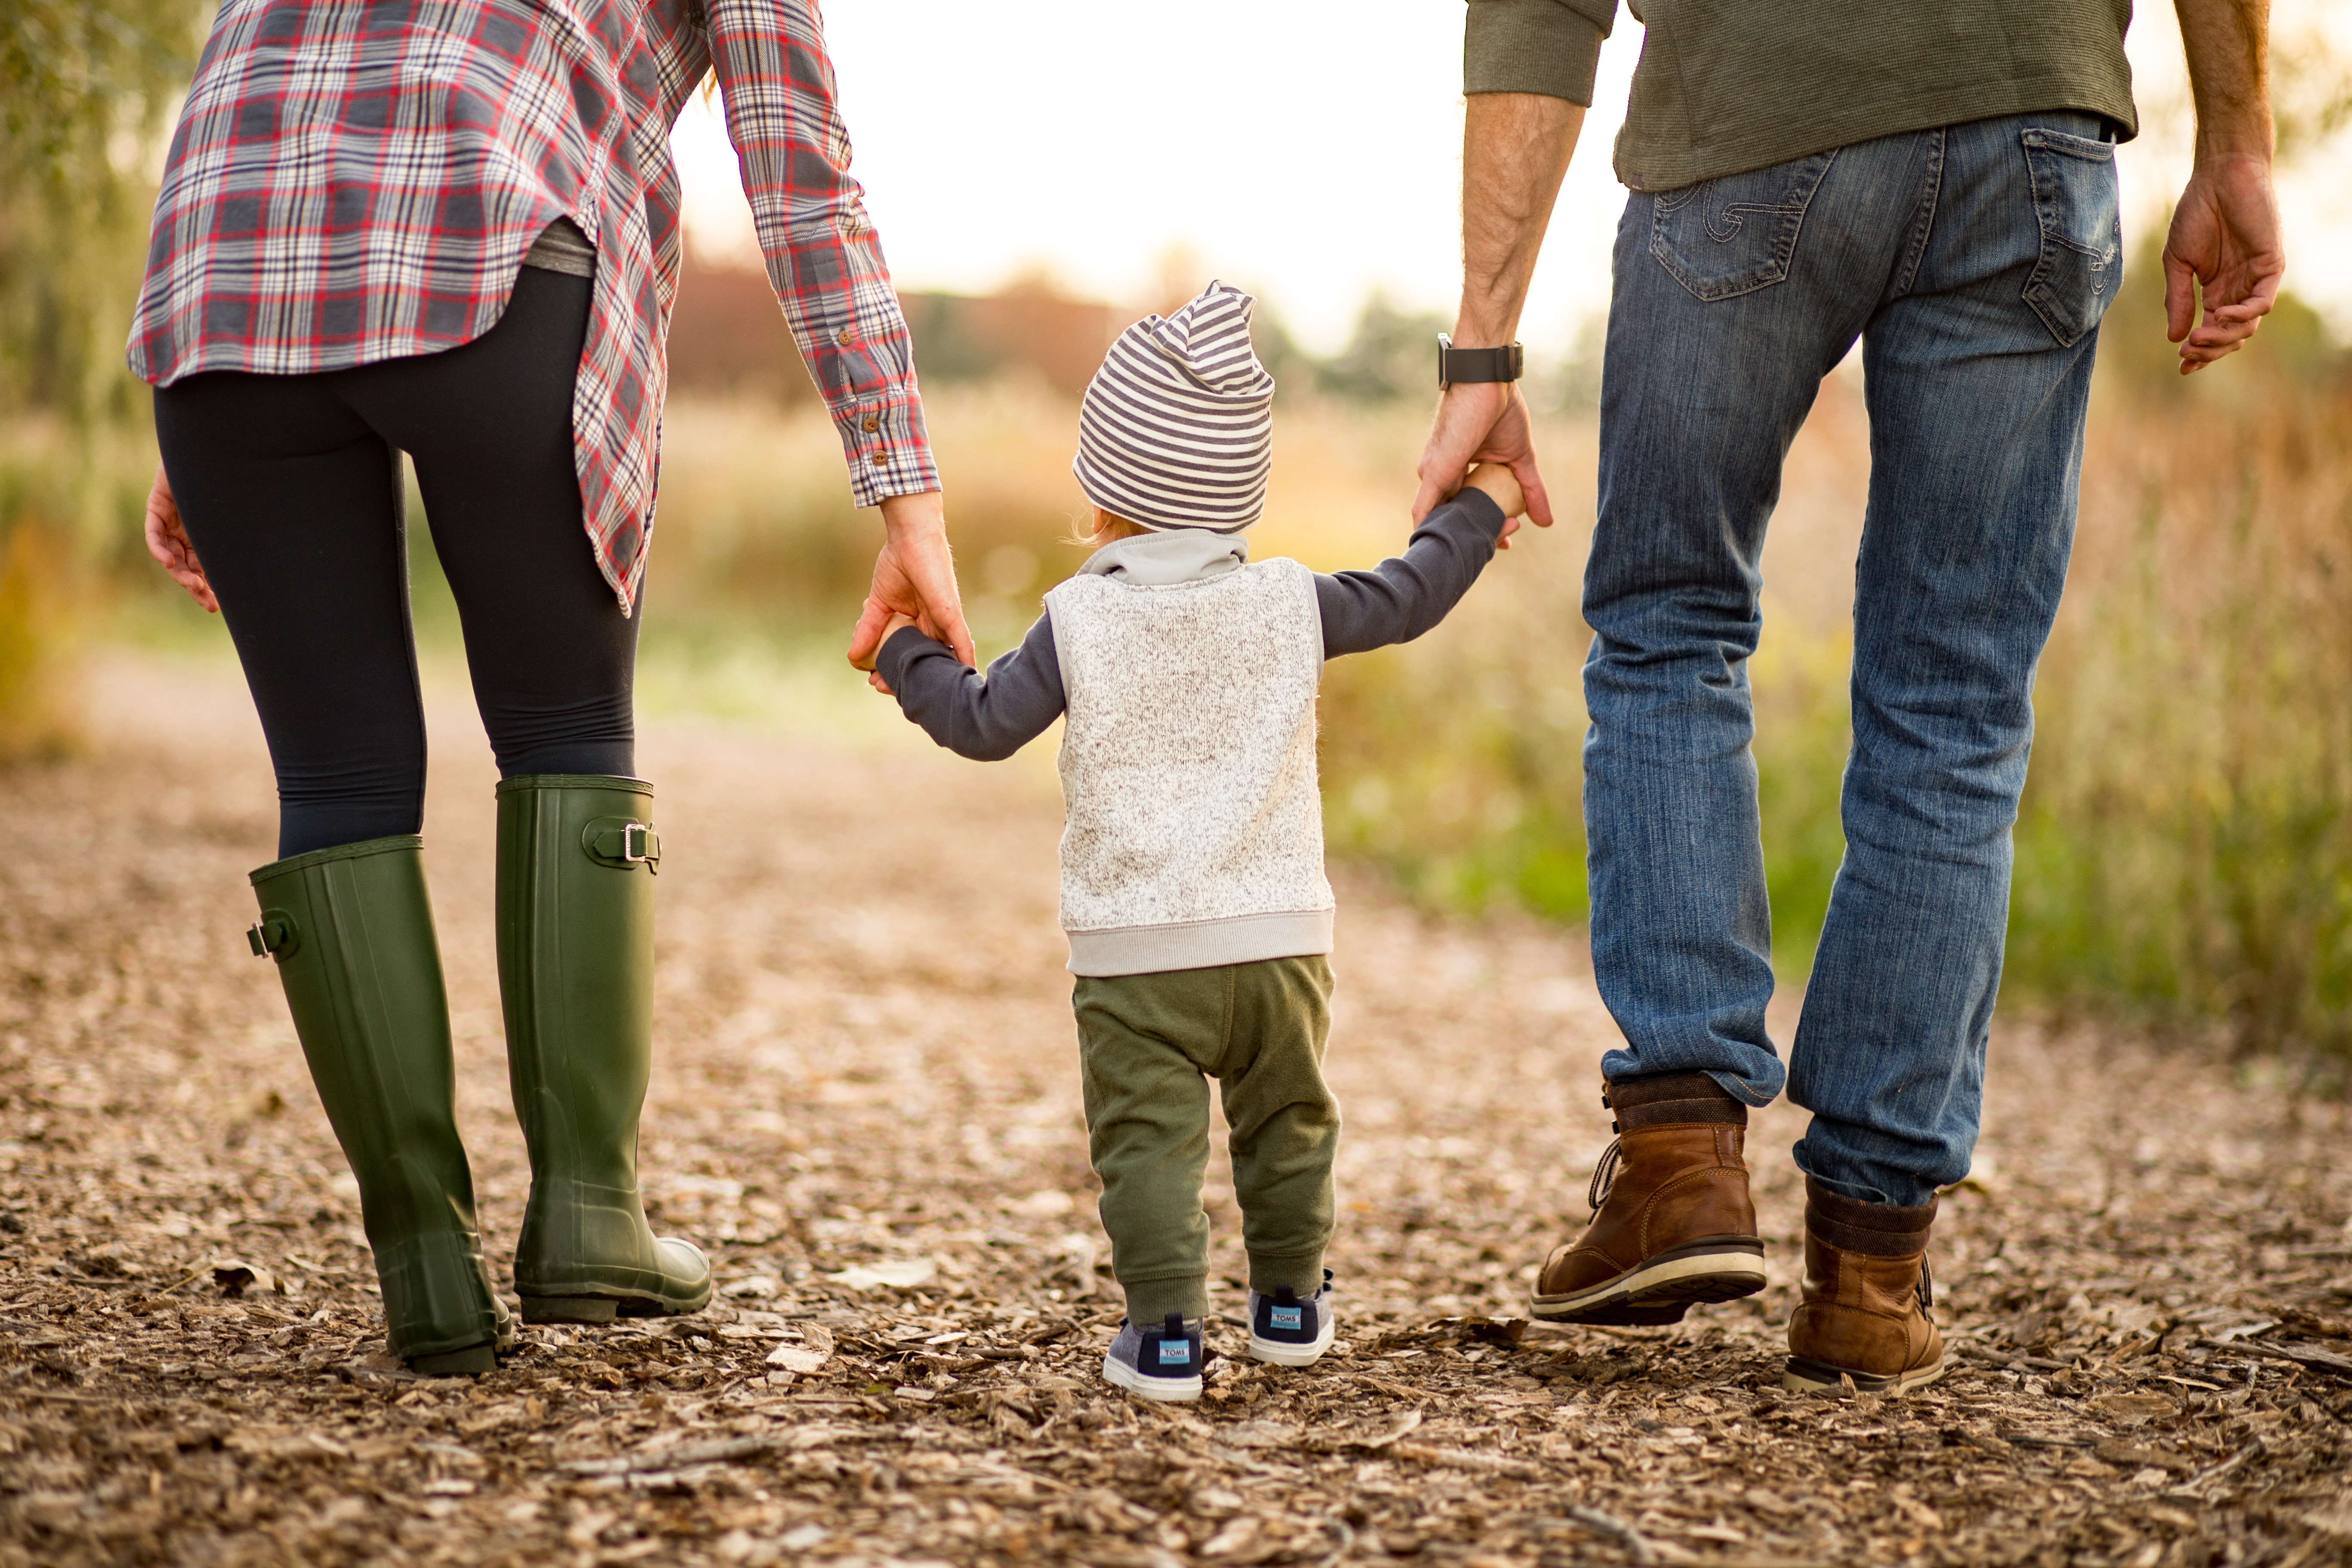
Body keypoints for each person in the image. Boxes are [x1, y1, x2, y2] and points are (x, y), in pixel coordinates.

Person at [1418, 0, 2284, 1393]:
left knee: (1668, 625)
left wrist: (1483, 347)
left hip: (1749, 119)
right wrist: (2239, 142)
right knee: (1956, 697)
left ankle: (1681, 1157)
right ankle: (1872, 1269)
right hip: (2035, 128)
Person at [129, 0, 969, 1376]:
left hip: (227, 282)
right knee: (566, 730)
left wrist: (221, 401)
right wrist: (906, 491)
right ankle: (589, 1215)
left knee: (334, 779)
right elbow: (800, 166)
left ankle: (424, 1265)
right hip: (488, 234)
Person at [862, 282, 1522, 1400]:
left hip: (1136, 959)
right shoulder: (1289, 601)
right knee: (1290, 1125)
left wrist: (904, 657)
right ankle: (1290, 1305)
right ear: (1238, 491)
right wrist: (1480, 506)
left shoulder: (1081, 617)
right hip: (1276, 948)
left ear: (1103, 486)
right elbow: (1412, 593)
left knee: (1149, 1149)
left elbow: (981, 725)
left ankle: (1166, 1335)